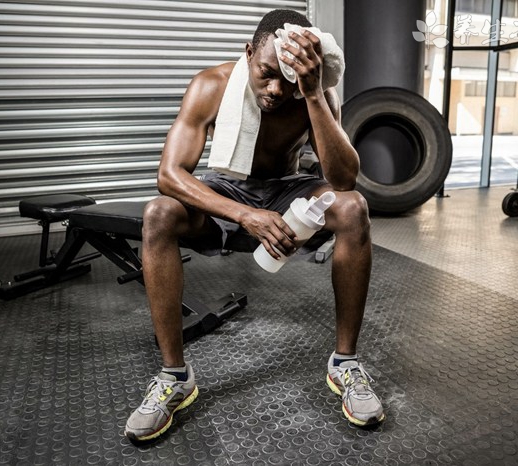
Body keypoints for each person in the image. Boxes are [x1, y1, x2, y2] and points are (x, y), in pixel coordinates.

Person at [125, 9, 384, 442]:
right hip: (227, 189)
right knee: (158, 213)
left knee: (353, 208)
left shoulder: (313, 92)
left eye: (287, 78)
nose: (276, 89)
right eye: (266, 73)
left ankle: (345, 365)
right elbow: (169, 175)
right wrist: (245, 214)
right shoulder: (210, 85)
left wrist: (314, 94)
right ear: (248, 53)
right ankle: (174, 377)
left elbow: (343, 180)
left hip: (288, 187)